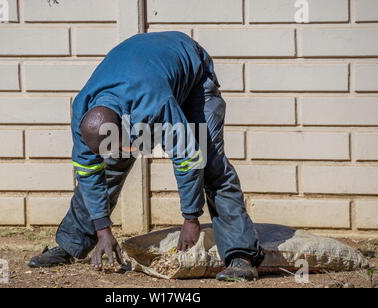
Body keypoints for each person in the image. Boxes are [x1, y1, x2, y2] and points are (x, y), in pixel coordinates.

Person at [29, 31, 263, 281]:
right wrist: (102, 228)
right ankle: (72, 243)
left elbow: (188, 157)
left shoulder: (152, 102)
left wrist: (191, 217)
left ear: (128, 124)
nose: (127, 149)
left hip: (192, 76)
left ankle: (241, 256)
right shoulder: (82, 112)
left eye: (123, 142)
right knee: (108, 167)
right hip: (144, 75)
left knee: (209, 161)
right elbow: (88, 172)